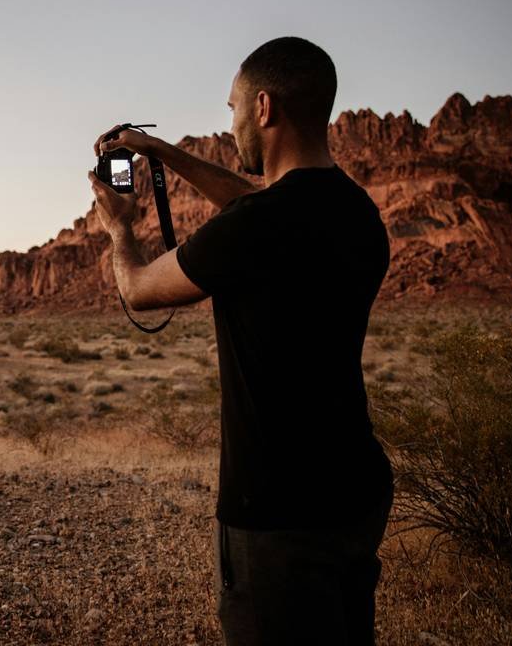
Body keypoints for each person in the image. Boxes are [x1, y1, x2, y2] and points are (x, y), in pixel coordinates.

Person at [87, 36, 395, 646]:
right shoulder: (354, 211)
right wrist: (158, 152)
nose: (229, 126)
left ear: (262, 107)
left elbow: (142, 289)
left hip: (277, 507)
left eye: (231, 109)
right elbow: (263, 202)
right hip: (355, 488)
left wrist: (120, 228)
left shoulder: (256, 228)